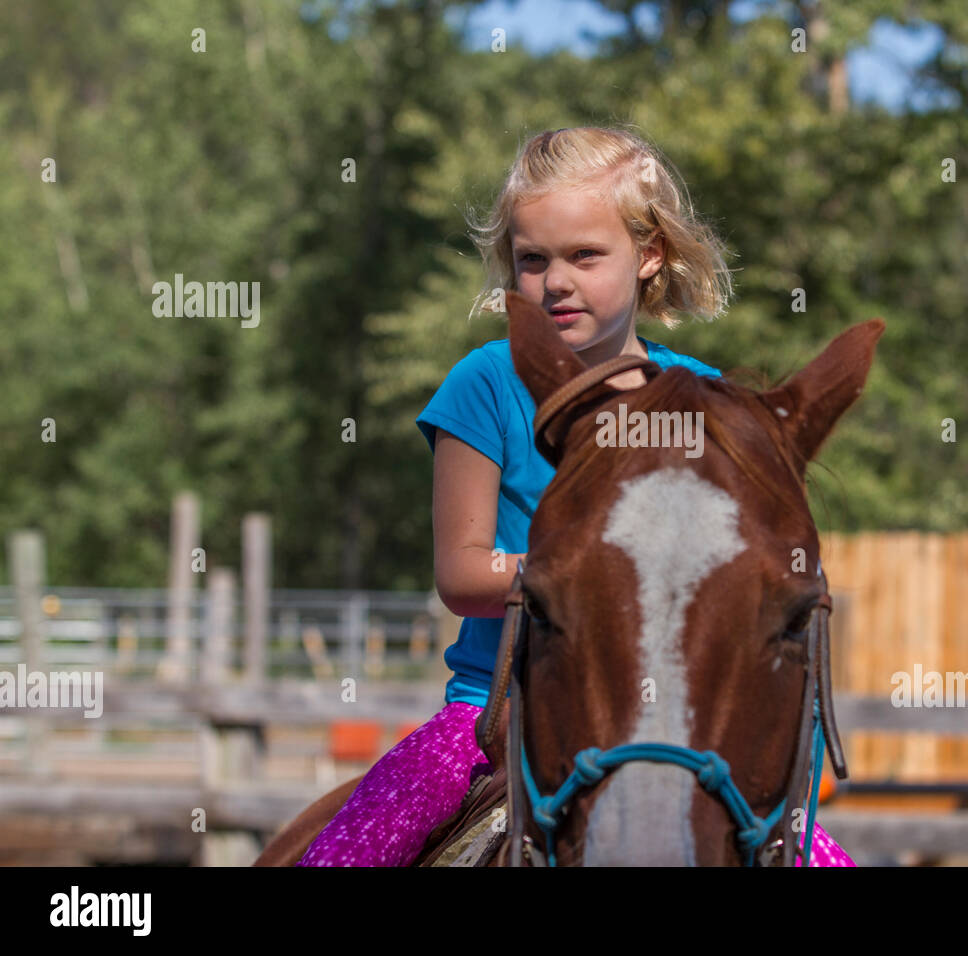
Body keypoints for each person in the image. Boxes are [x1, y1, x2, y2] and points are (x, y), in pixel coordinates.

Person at [298, 126, 853, 866]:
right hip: (493, 717)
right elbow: (463, 574)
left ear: (649, 253)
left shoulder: (699, 397)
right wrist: (584, 577)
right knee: (343, 855)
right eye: (533, 260)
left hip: (670, 722)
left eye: (585, 256)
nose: (555, 281)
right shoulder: (486, 384)